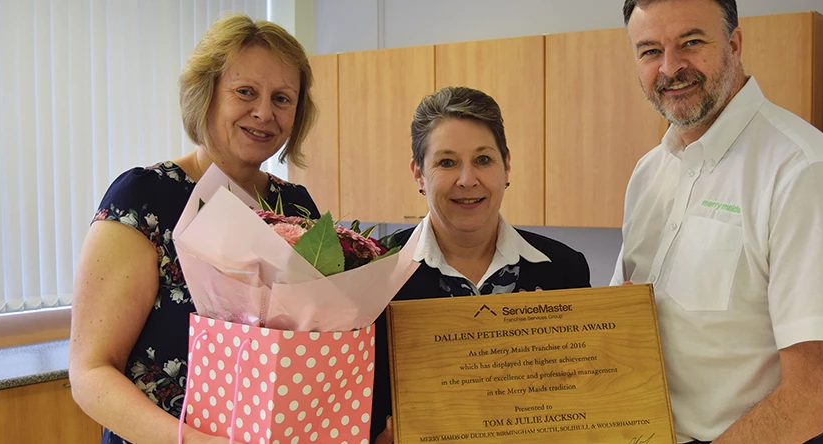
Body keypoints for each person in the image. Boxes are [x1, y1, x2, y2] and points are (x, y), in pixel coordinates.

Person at [611, 0, 823, 443]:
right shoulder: (649, 174)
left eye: (691, 42)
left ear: (734, 43)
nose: (670, 68)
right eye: (650, 51)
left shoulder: (804, 171)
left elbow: (811, 397)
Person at [69, 14, 321, 444]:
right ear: (206, 95)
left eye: (283, 98)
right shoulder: (145, 199)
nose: (264, 112)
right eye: (245, 92)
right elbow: (91, 372)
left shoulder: (297, 206)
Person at [370, 86, 592, 443]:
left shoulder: (564, 269)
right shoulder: (372, 272)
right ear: (418, 174)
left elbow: (585, 398)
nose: (467, 179)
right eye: (447, 162)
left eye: (483, 160)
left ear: (506, 165)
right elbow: (353, 408)